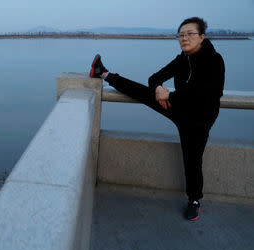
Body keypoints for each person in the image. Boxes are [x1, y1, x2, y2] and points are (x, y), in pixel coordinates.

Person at [90, 17, 225, 221]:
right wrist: (159, 89)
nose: (184, 38)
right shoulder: (182, 59)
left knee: (192, 160)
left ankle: (194, 200)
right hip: (178, 108)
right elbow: (154, 78)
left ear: (202, 37)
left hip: (200, 120)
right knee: (144, 92)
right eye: (181, 35)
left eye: (190, 34)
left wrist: (169, 95)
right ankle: (104, 73)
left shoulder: (214, 60)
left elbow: (205, 93)